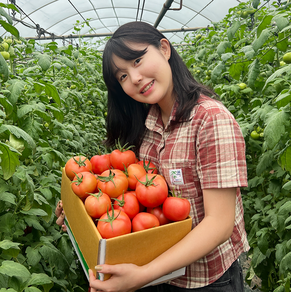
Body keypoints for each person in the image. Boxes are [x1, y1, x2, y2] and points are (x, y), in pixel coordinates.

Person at [57, 21, 249, 292]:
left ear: (164, 49)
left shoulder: (210, 120)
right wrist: (83, 211)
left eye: (138, 60)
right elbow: (135, 196)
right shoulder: (147, 122)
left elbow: (219, 224)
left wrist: (143, 275)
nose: (134, 78)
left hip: (206, 281)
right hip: (156, 271)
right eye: (122, 76)